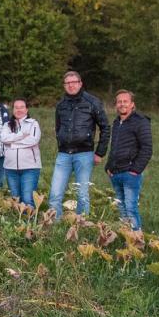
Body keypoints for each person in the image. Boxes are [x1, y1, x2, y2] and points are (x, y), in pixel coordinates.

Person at [47, 71, 110, 218]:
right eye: (67, 83)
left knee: (82, 194)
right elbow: (58, 128)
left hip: (84, 154)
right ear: (64, 86)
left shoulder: (92, 102)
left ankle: (82, 226)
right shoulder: (61, 105)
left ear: (80, 83)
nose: (71, 85)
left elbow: (105, 127)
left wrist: (100, 152)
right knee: (55, 193)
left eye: (74, 82)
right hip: (63, 155)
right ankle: (54, 226)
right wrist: (61, 143)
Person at [105, 89, 152, 231]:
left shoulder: (141, 122)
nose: (122, 104)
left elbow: (147, 148)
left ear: (132, 104)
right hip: (115, 173)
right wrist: (108, 166)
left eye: (125, 101)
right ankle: (127, 238)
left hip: (130, 173)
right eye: (119, 101)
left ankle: (136, 241)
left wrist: (135, 170)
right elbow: (114, 146)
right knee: (122, 208)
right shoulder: (116, 122)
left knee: (131, 208)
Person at [0, 98, 42, 208]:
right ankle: (18, 224)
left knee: (27, 199)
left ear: (26, 109)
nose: (19, 110)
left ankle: (29, 223)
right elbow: (4, 139)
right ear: (13, 110)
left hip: (30, 168)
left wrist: (12, 143)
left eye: (22, 107)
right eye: (16, 107)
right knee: (15, 199)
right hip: (10, 168)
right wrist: (21, 135)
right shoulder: (7, 125)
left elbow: (33, 140)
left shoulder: (33, 124)